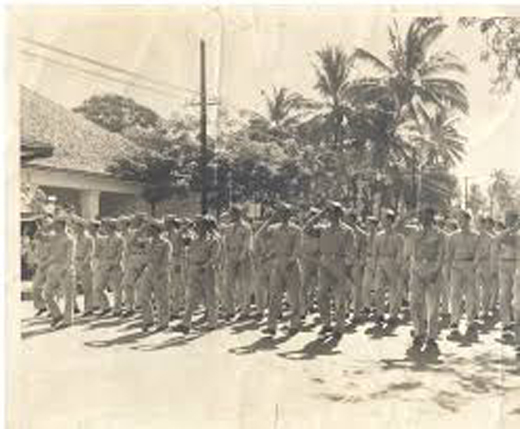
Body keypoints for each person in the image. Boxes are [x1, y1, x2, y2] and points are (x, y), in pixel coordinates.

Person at [311, 202, 356, 337]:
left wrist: (348, 269)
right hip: (324, 263)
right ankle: (326, 324)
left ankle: (339, 327)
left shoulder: (347, 230)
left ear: (339, 214)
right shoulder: (323, 228)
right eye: (329, 212)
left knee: (339, 298)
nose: (330, 215)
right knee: (321, 296)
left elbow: (351, 252)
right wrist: (319, 214)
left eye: (333, 212)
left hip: (340, 263)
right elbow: (306, 229)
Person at [407, 207, 446, 349]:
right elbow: (398, 227)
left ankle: (432, 336)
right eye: (422, 216)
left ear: (432, 217)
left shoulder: (440, 234)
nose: (424, 219)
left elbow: (442, 255)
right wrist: (409, 213)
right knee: (414, 303)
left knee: (433, 306)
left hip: (432, 268)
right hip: (417, 269)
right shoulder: (414, 231)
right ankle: (418, 332)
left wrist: (436, 271)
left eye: (427, 216)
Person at [176, 216, 221, 334]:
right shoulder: (193, 239)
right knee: (191, 297)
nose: (197, 228)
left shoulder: (213, 240)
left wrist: (205, 266)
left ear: (206, 227)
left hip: (206, 270)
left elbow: (214, 257)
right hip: (194, 268)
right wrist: (185, 226)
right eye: (197, 226)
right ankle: (185, 324)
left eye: (200, 225)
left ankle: (213, 323)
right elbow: (178, 239)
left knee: (210, 296)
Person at [264, 203, 303, 336]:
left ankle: (294, 324)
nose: (283, 215)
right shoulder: (273, 228)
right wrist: (269, 219)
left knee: (293, 297)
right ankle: (271, 325)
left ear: (290, 214)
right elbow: (262, 237)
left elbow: (298, 248)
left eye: (286, 213)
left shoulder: (296, 229)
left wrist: (291, 261)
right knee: (274, 295)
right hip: (277, 263)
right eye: (281, 213)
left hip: (291, 264)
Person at [446, 210, 480, 335]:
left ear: (468, 220)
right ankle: (454, 321)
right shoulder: (453, 236)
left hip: (470, 265)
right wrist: (448, 271)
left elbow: (478, 253)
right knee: (455, 295)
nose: (460, 222)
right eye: (458, 220)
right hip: (456, 266)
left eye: (462, 220)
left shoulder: (476, 236)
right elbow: (449, 254)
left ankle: (470, 321)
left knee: (470, 295)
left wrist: (474, 265)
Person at [221, 206, 254, 320]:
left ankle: (245, 310)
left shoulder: (246, 227)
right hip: (231, 256)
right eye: (230, 214)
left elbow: (247, 243)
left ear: (238, 214)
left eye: (232, 214)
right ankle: (230, 310)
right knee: (228, 284)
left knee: (243, 285)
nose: (231, 216)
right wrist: (227, 255)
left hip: (243, 257)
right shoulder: (229, 227)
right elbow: (225, 242)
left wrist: (242, 256)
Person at [372, 209, 404, 325]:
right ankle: (380, 313)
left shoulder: (398, 236)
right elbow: (374, 252)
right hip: (381, 261)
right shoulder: (378, 236)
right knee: (378, 289)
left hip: (392, 262)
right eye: (382, 219)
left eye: (385, 219)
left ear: (391, 220)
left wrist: (398, 265)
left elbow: (400, 252)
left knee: (394, 290)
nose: (383, 221)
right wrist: (374, 266)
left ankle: (393, 314)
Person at [140, 219, 172, 332]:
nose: (148, 231)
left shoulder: (165, 243)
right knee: (143, 295)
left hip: (160, 272)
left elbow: (166, 260)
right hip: (149, 270)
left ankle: (164, 322)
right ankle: (148, 320)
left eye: (150, 229)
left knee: (161, 298)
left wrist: (161, 272)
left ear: (156, 230)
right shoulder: (148, 242)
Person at [43, 216, 76, 328]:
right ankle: (57, 315)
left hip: (66, 269)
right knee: (47, 293)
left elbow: (70, 257)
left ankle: (68, 321)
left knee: (68, 296)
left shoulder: (69, 239)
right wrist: (46, 264)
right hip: (54, 268)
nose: (54, 227)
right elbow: (53, 254)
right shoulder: (55, 237)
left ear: (62, 225)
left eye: (56, 225)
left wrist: (65, 269)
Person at [494, 212, 520, 336]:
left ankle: (516, 320)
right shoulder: (503, 233)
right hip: (504, 265)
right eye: (506, 219)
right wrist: (511, 229)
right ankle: (505, 323)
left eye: (510, 219)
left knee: (516, 296)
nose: (507, 221)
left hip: (516, 265)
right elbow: (497, 240)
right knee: (504, 295)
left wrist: (515, 230)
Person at [119, 213, 148, 317]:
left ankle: (144, 307)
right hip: (131, 259)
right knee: (127, 284)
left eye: (122, 224)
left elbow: (144, 245)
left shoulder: (142, 233)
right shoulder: (127, 234)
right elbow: (127, 246)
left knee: (142, 286)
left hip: (142, 259)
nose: (119, 226)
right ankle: (130, 308)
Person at [94, 219, 124, 316]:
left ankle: (117, 309)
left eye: (106, 226)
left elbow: (120, 254)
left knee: (117, 289)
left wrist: (114, 264)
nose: (104, 228)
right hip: (105, 264)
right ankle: (105, 306)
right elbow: (100, 252)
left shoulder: (119, 238)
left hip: (115, 266)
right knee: (98, 287)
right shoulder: (105, 239)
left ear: (111, 227)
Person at [300, 207, 322, 319]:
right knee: (304, 285)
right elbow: (308, 225)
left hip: (317, 260)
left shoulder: (320, 229)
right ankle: (303, 309)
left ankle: (311, 304)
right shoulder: (305, 228)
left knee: (315, 286)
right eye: (311, 215)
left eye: (314, 215)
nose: (312, 217)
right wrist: (317, 215)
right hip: (306, 260)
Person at [31, 215, 54, 316]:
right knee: (35, 287)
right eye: (44, 222)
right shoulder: (39, 234)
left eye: (47, 222)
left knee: (51, 289)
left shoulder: (54, 234)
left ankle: (54, 309)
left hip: (51, 263)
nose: (45, 224)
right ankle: (42, 306)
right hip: (41, 263)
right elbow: (36, 249)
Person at [165, 215, 187, 319]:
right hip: (169, 261)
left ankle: (176, 310)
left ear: (172, 223)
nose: (165, 224)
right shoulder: (167, 234)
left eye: (167, 222)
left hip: (177, 260)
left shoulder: (177, 233)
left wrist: (178, 263)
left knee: (177, 286)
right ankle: (173, 308)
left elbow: (182, 249)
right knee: (170, 286)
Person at [475, 216, 496, 319]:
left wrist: (493, 268)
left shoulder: (490, 238)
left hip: (486, 265)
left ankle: (485, 310)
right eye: (477, 224)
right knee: (474, 289)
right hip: (475, 266)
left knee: (486, 289)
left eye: (480, 224)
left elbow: (492, 254)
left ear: (484, 224)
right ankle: (475, 310)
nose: (478, 226)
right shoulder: (474, 236)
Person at [73, 217, 94, 316]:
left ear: (82, 227)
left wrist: (85, 263)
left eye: (77, 227)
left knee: (87, 287)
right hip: (75, 262)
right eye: (75, 227)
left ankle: (88, 308)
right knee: (71, 286)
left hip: (84, 263)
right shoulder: (74, 237)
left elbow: (90, 252)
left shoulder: (89, 238)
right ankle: (74, 307)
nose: (75, 229)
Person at [361, 216, 379, 314]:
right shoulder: (366, 236)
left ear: (374, 224)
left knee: (378, 286)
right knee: (365, 285)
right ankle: (367, 306)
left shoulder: (379, 235)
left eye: (369, 223)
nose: (367, 225)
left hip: (377, 261)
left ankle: (378, 306)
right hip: (368, 260)